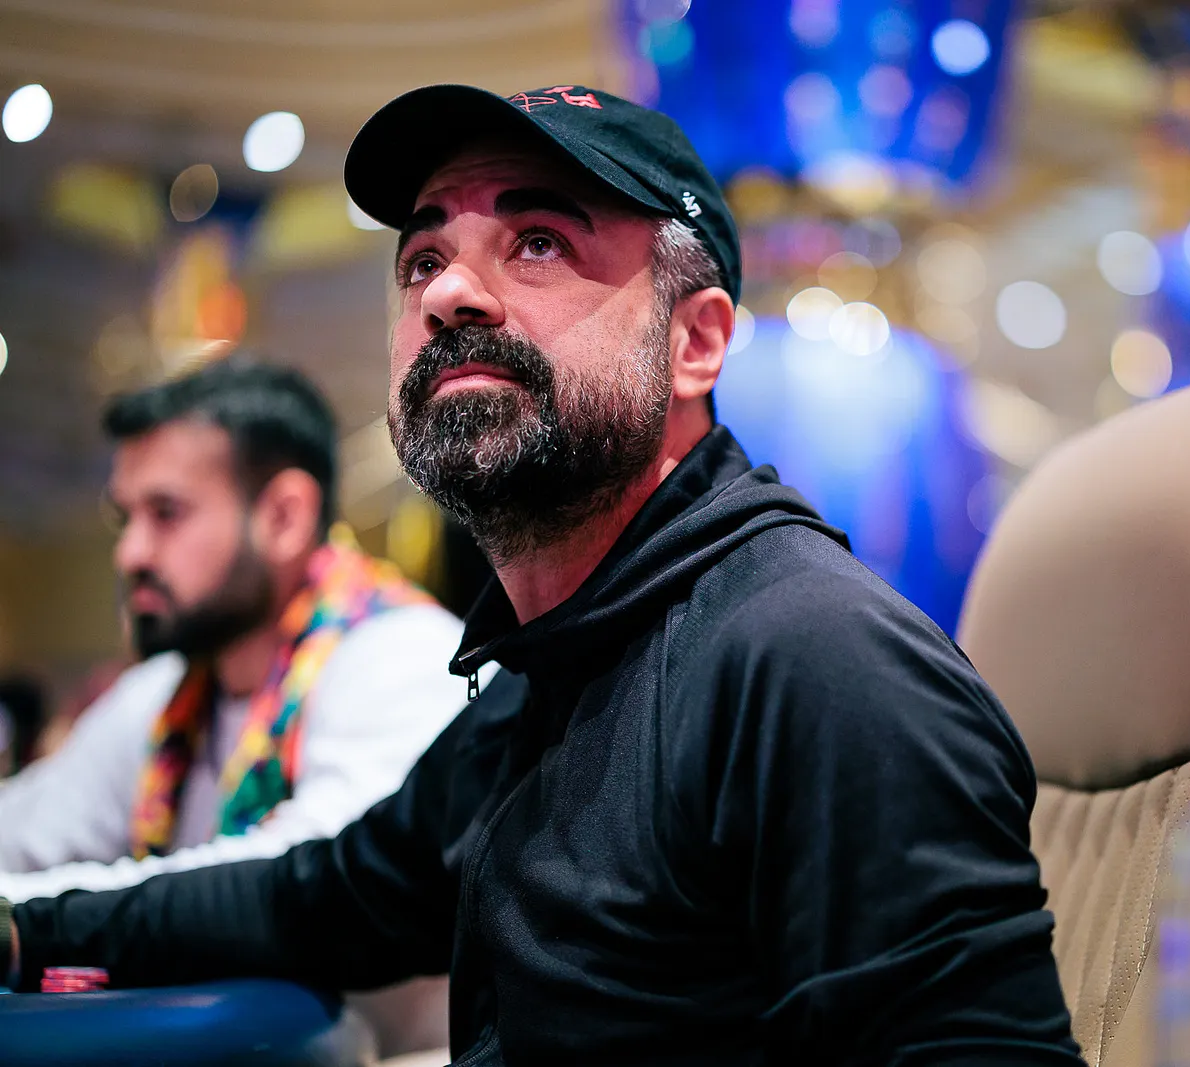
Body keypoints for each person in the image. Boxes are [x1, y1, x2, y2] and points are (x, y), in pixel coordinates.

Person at [3, 85, 1086, 1066]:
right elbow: (323, 897)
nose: (449, 294)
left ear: (696, 342)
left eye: (536, 242)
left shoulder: (814, 659)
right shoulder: (545, 670)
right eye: (422, 259)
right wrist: (25, 931)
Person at [0, 360, 475, 900]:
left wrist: (24, 922)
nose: (129, 553)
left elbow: (290, 885)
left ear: (284, 518)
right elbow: (24, 829)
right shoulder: (164, 693)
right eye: (125, 519)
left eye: (166, 512)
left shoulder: (402, 659)